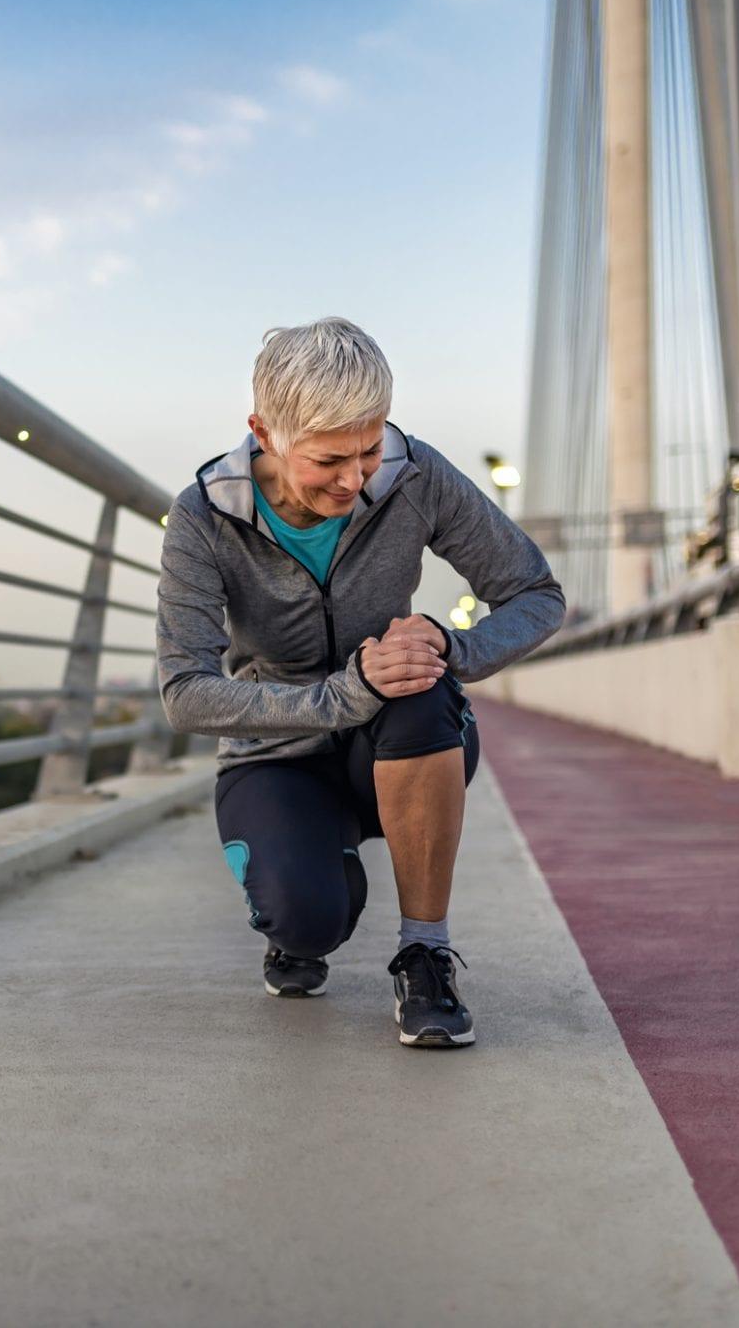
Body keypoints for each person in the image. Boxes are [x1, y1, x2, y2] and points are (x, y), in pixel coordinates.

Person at [155, 318, 564, 1047]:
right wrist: (344, 693)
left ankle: (425, 952)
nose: (355, 478)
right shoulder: (203, 518)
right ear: (264, 432)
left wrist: (452, 645)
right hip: (275, 755)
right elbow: (186, 690)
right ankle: (310, 882)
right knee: (310, 919)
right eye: (328, 459)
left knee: (420, 675)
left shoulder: (415, 476)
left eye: (369, 449)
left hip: (400, 739)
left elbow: (537, 592)